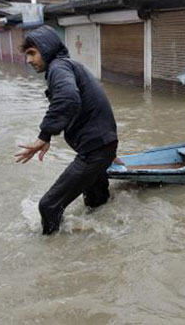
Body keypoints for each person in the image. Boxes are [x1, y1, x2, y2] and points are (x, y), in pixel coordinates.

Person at [14, 25, 118, 235]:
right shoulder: (69, 65)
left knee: (48, 206)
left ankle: (52, 255)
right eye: (27, 55)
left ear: (46, 48)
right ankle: (105, 244)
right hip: (101, 146)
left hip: (95, 150)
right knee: (96, 203)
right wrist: (108, 147)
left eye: (32, 53)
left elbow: (69, 99)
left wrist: (45, 136)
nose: (29, 60)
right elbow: (91, 106)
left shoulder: (58, 67)